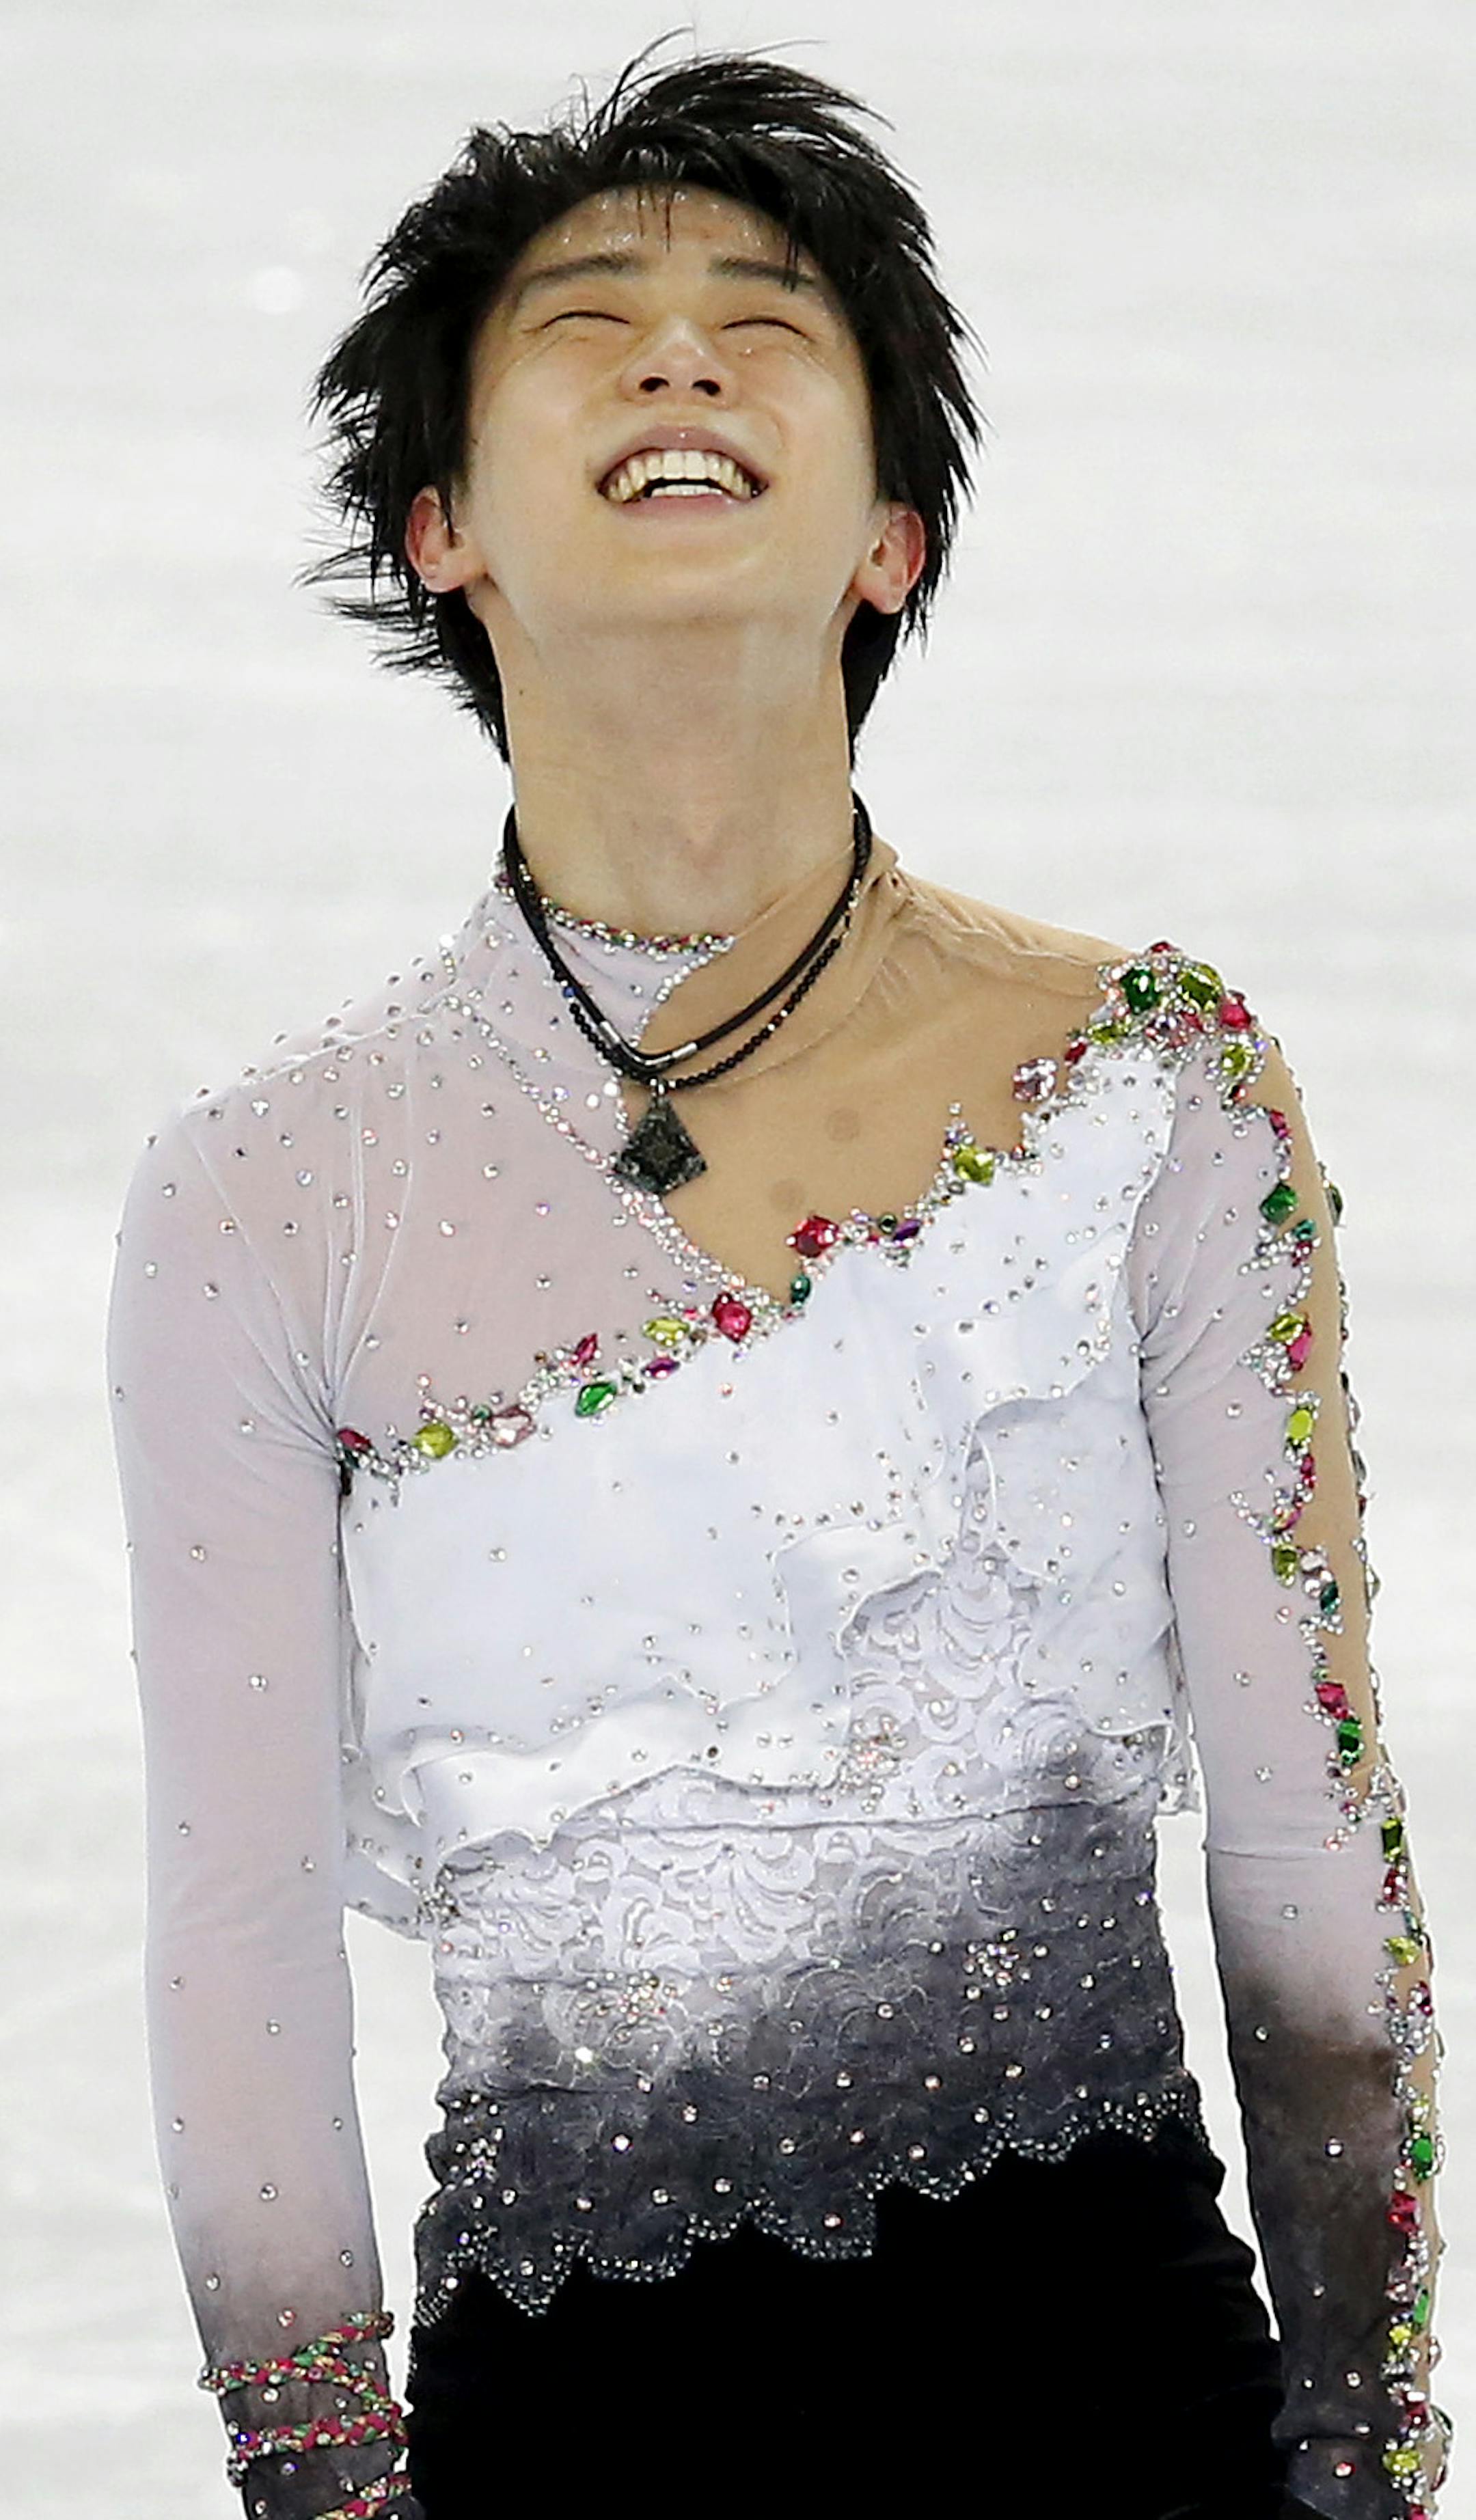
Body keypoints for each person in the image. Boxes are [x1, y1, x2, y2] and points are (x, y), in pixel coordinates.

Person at [107, 45, 1448, 2520]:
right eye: (588, 322)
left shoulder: (1152, 1088)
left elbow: (1301, 1835)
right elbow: (240, 1948)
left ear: (892, 542)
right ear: (441, 527)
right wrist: (320, 2488)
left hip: (1132, 2417)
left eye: (769, 323)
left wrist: (1370, 2451)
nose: (681, 358)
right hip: (562, 2441)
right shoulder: (267, 1198)